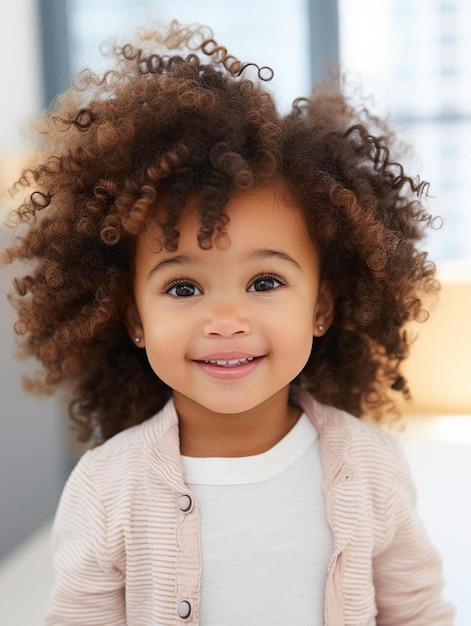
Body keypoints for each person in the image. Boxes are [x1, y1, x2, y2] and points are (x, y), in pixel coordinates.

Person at [2, 20, 453, 626]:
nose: (226, 320)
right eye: (183, 287)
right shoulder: (107, 488)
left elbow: (417, 611)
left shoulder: (368, 466)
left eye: (265, 283)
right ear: (134, 318)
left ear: (321, 307)